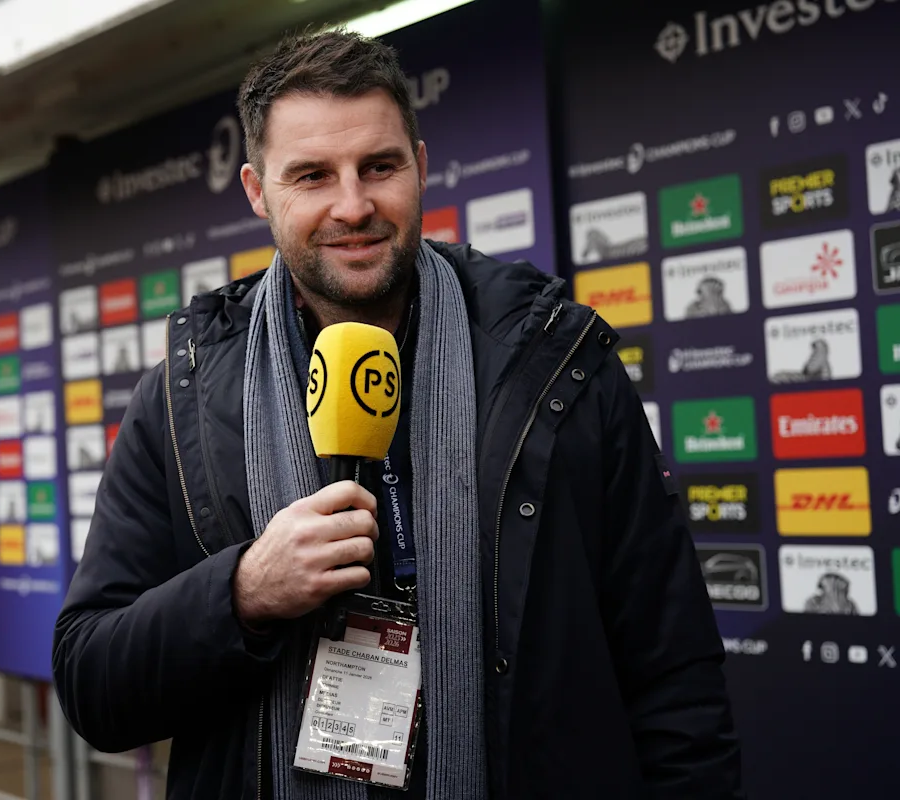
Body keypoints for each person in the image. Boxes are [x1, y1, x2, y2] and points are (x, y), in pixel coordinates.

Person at [53, 28, 744, 800]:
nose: (353, 205)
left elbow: (672, 665)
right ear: (257, 191)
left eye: (378, 167)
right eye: (311, 175)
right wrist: (243, 592)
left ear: (419, 164)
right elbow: (93, 682)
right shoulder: (182, 399)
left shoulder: (556, 362)